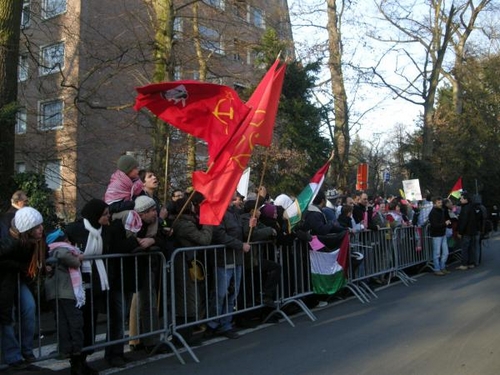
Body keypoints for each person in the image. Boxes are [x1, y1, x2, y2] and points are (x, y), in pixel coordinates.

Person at [0, 207, 44, 370]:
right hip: (5, 281)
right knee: (7, 315)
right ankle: (13, 356)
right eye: (38, 227)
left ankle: (27, 350)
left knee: (29, 308)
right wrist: (21, 266)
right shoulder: (10, 241)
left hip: (18, 280)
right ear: (28, 230)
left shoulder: (35, 242)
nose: (41, 229)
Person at [205, 191, 253, 339]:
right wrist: (240, 245)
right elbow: (220, 236)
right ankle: (213, 324)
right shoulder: (219, 213)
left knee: (233, 292)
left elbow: (242, 233)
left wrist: (250, 226)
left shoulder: (235, 213)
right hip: (223, 260)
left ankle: (226, 324)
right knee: (220, 294)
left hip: (236, 259)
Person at [126, 196, 169, 355]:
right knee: (140, 305)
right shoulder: (132, 225)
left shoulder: (156, 224)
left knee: (149, 303)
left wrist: (153, 241)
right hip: (133, 269)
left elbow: (165, 242)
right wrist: (139, 243)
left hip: (149, 268)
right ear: (141, 214)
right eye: (151, 211)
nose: (154, 213)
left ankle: (150, 340)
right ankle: (138, 340)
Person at [171, 192, 213, 345]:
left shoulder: (187, 222)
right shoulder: (184, 224)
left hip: (187, 262)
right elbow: (204, 239)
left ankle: (187, 334)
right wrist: (208, 222)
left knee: (190, 298)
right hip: (183, 264)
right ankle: (182, 336)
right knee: (187, 300)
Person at [45, 229, 86, 374]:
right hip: (65, 291)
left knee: (63, 322)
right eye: (67, 240)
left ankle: (68, 351)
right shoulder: (61, 249)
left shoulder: (49, 250)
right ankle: (75, 352)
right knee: (74, 322)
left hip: (57, 292)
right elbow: (69, 258)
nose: (70, 243)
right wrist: (79, 258)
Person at [428, 197, 451, 276]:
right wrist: (445, 224)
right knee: (437, 253)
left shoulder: (442, 211)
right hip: (436, 235)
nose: (440, 204)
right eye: (438, 203)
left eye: (441, 202)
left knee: (445, 252)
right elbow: (435, 225)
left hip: (442, 233)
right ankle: (437, 269)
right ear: (434, 203)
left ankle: (442, 267)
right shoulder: (433, 213)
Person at [456, 192, 479, 270]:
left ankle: (464, 264)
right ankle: (471, 263)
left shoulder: (465, 208)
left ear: (466, 199)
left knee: (465, 248)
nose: (460, 200)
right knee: (471, 248)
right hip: (472, 231)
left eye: (462, 198)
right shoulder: (472, 207)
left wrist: (460, 232)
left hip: (466, 232)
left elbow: (463, 221)